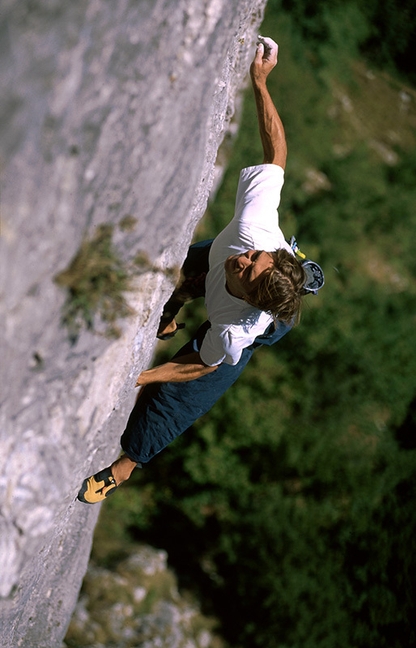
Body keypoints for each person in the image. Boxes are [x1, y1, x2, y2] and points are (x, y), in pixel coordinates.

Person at [78, 36, 324, 504]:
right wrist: (260, 80)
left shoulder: (235, 329)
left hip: (248, 326)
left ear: (249, 299)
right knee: (195, 266)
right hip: (241, 270)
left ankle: (122, 471)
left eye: (249, 269)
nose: (245, 259)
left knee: (177, 403)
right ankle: (203, 296)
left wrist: (137, 377)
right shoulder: (254, 233)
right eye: (255, 258)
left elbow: (198, 366)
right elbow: (276, 155)